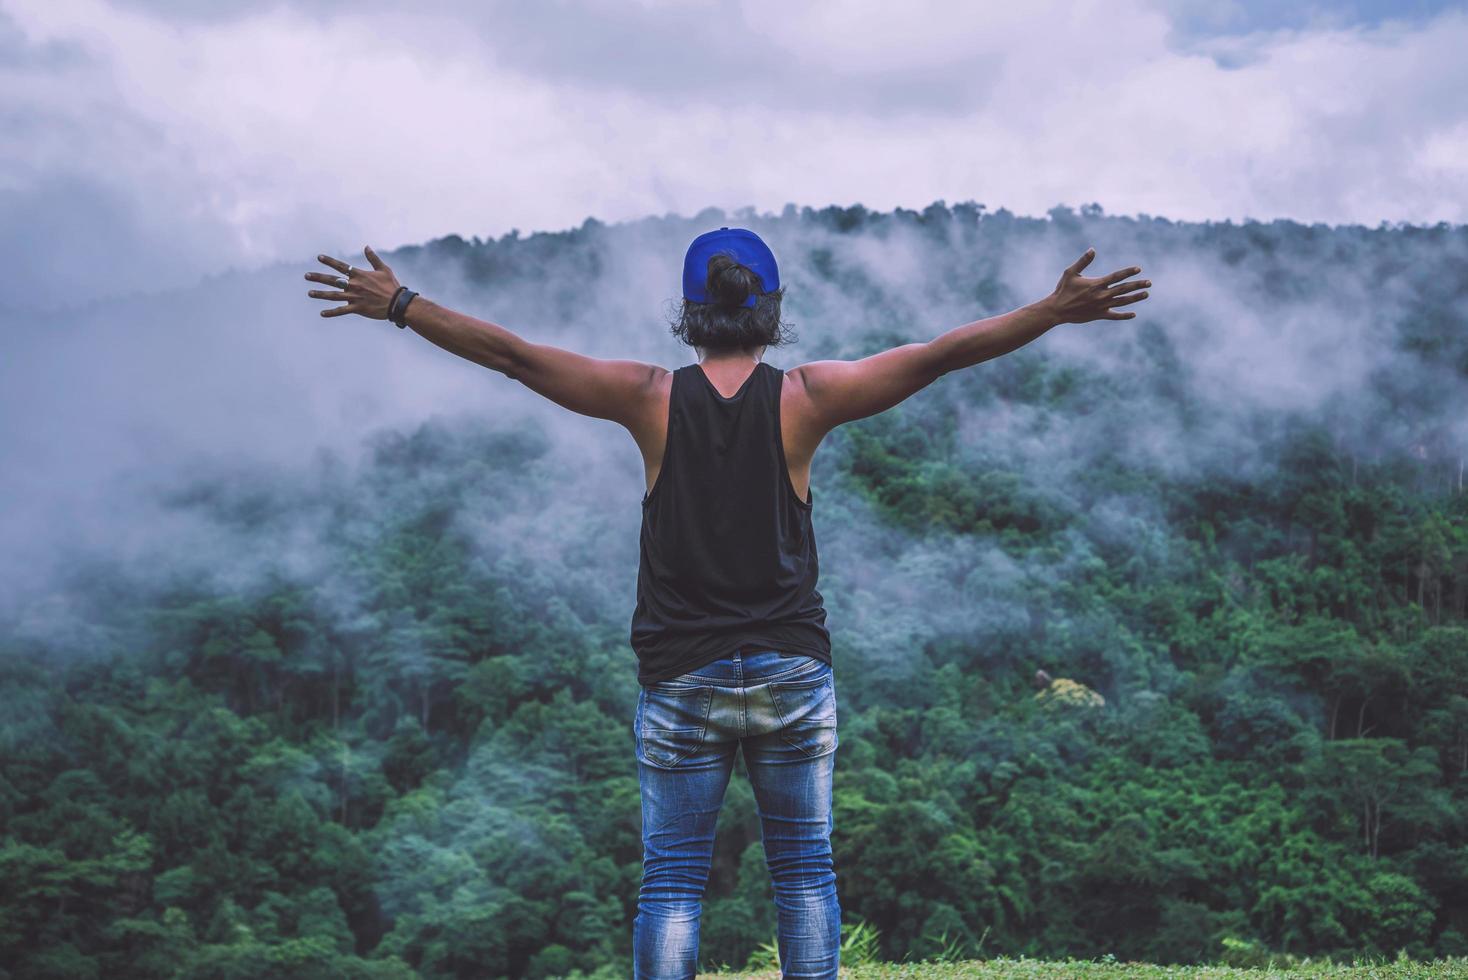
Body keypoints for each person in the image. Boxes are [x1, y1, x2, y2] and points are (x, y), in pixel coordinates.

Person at [305, 229, 1150, 978]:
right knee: (804, 871)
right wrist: (1049, 310)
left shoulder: (646, 397)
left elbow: (514, 356)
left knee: (672, 878)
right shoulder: (807, 399)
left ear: (688, 312)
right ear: (772, 311)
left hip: (681, 675)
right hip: (791, 668)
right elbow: (938, 355)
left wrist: (402, 303)